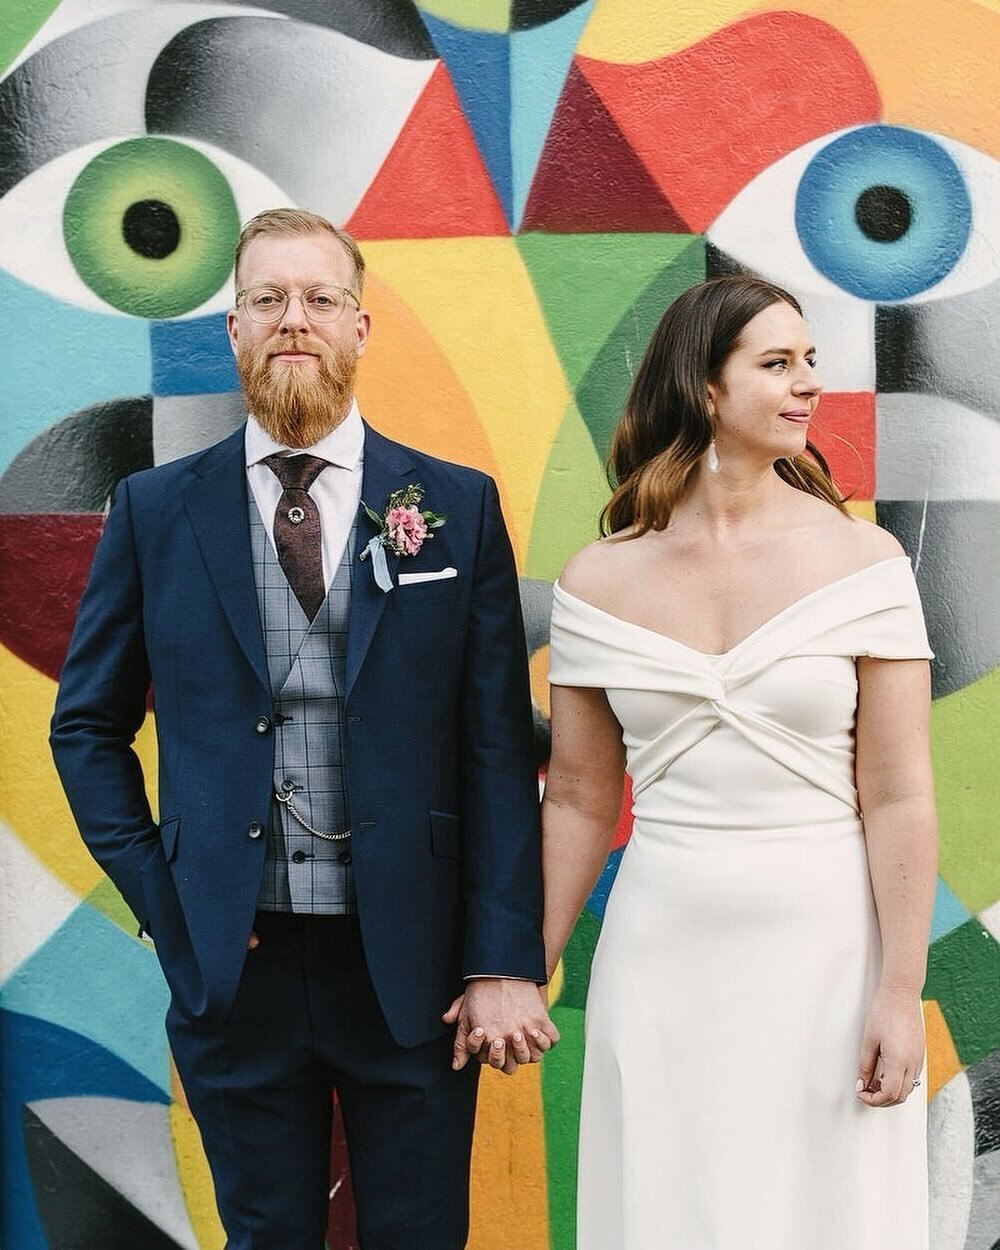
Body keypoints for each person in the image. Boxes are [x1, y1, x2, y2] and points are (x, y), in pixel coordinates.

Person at [50, 207, 558, 1250]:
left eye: (320, 299)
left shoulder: (454, 507)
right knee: (266, 1235)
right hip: (235, 966)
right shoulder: (153, 510)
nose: (295, 320)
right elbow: (87, 727)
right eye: (268, 300)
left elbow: (499, 746)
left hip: (414, 964)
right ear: (233, 329)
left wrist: (501, 954)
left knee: (420, 1235)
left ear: (360, 327)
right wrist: (168, 903)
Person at [541, 276, 936, 1249]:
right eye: (776, 363)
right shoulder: (599, 578)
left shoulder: (864, 560)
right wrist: (527, 959)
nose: (806, 384)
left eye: (809, 361)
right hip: (660, 954)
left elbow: (897, 795)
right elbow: (582, 800)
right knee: (673, 1207)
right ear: (704, 389)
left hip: (828, 956)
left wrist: (897, 989)